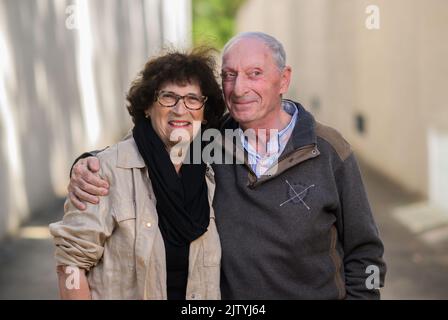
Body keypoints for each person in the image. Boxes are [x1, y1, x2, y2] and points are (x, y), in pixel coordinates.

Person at [67, 32, 387, 299]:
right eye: (229, 75)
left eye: (254, 74)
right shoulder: (209, 141)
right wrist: (88, 163)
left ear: (284, 79)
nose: (238, 88)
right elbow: (149, 144)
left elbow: (365, 252)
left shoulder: (329, 149)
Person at [49, 48, 226, 300]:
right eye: (168, 97)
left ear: (204, 113)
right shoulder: (105, 171)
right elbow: (70, 264)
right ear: (147, 107)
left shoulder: (215, 171)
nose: (180, 109)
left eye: (192, 99)